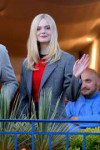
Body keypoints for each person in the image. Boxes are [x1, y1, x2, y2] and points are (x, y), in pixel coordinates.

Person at [19, 14, 89, 119]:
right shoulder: (26, 63)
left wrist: (76, 76)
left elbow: (72, 97)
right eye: (38, 29)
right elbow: (23, 98)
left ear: (53, 31)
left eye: (48, 28)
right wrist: (19, 124)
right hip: (30, 122)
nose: (43, 31)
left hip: (54, 122)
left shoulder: (66, 59)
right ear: (34, 33)